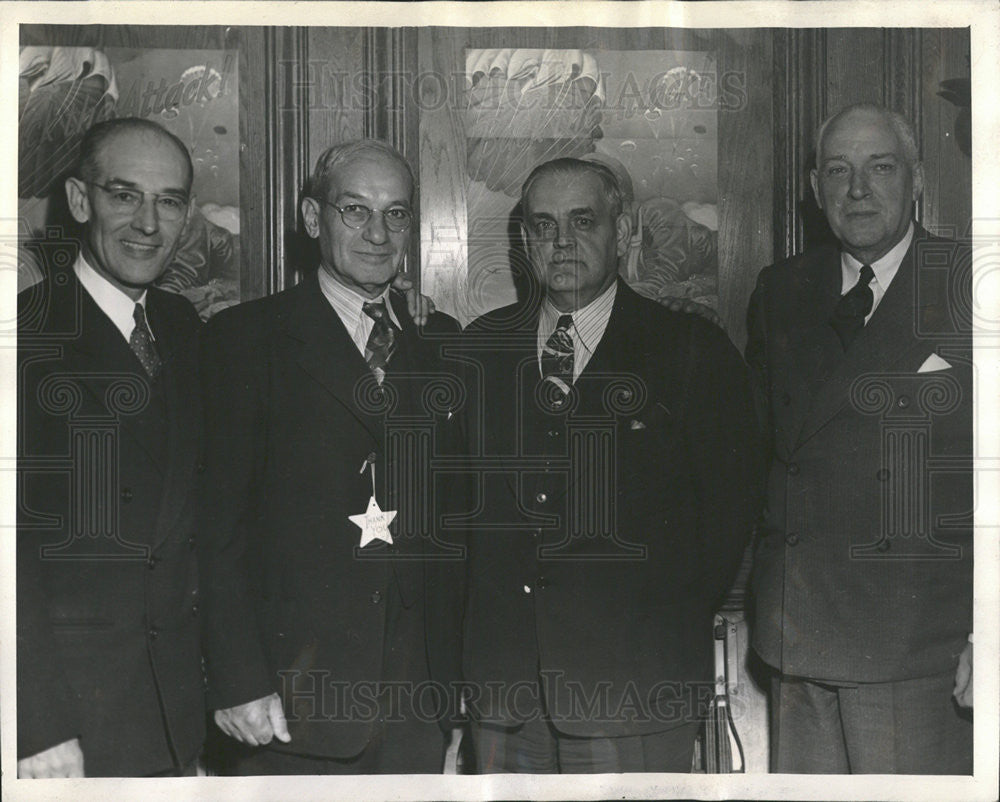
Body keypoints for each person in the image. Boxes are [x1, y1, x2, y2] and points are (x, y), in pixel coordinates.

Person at [459, 157, 762, 773]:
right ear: (524, 242)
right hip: (507, 701)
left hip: (637, 691)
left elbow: (728, 519)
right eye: (544, 226)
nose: (562, 242)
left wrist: (653, 624)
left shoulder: (691, 352)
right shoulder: (477, 351)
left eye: (583, 221)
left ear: (622, 234)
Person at [198, 139, 466, 774]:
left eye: (396, 214)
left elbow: (458, 532)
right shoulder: (242, 341)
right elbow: (212, 530)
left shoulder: (441, 347)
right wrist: (236, 680)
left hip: (413, 709)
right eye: (355, 210)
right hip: (285, 705)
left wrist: (456, 703)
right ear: (313, 218)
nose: (378, 233)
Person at [745, 103, 973, 774]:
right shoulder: (782, 290)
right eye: (838, 171)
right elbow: (759, 454)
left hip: (916, 649)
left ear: (918, 180)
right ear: (815, 190)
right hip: (796, 639)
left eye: (880, 168)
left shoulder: (972, 285)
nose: (857, 190)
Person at [17, 117, 205, 777]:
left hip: (179, 718)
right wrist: (34, 725)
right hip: (65, 726)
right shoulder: (25, 339)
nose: (149, 223)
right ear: (78, 201)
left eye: (170, 201)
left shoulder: (184, 328)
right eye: (124, 195)